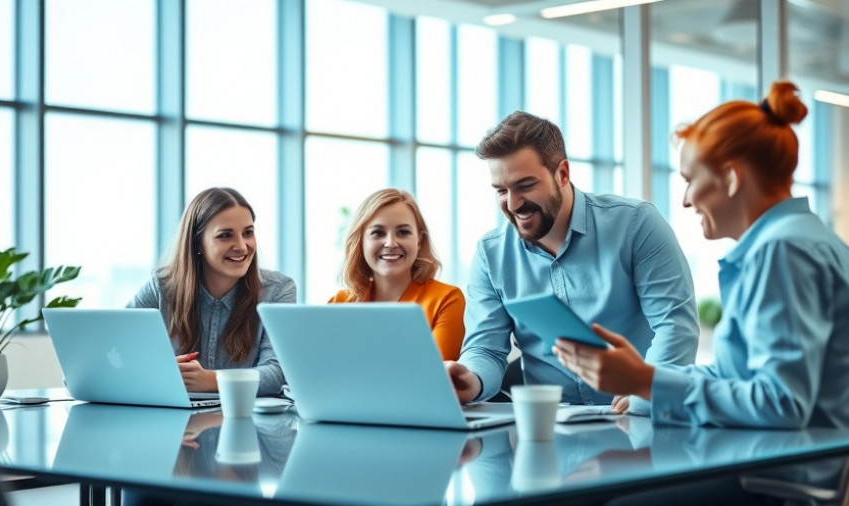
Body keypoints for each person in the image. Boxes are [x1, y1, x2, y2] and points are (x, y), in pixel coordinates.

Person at [553, 81, 849, 428]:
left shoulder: (781, 251)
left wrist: (646, 381)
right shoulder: (802, 240)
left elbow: (781, 402)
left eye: (691, 180)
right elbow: (735, 375)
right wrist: (647, 383)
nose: (686, 200)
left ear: (731, 177)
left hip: (781, 477)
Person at [444, 111, 699, 414]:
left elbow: (676, 326)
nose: (512, 204)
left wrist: (646, 396)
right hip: (550, 427)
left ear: (562, 174)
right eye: (501, 190)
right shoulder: (491, 254)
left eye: (525, 185)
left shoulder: (636, 225)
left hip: (635, 418)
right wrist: (469, 378)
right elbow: (486, 347)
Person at [127, 187, 296, 396]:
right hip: (175, 422)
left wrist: (211, 380)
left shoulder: (278, 291)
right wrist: (160, 372)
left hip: (250, 424)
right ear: (197, 241)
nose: (242, 246)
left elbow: (278, 374)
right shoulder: (161, 287)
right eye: (225, 236)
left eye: (248, 233)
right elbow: (119, 354)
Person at [328, 188, 465, 360]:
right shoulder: (340, 303)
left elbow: (433, 376)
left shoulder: (446, 300)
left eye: (403, 232)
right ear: (361, 242)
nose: (391, 243)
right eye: (378, 233)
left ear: (419, 240)